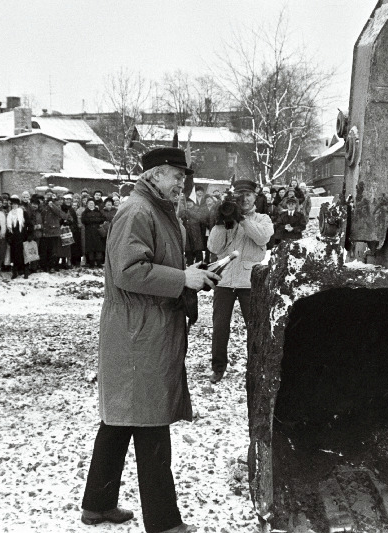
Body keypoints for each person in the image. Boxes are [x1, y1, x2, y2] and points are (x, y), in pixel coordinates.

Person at [81, 147, 217, 533]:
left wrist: (190, 273)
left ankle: (97, 504)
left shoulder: (154, 207)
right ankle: (164, 523)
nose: (182, 183)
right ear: (156, 174)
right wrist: (181, 280)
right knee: (151, 420)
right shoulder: (138, 210)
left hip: (141, 327)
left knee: (121, 418)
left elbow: (151, 263)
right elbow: (128, 271)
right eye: (177, 176)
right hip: (138, 330)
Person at [207, 178, 273, 384]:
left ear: (255, 197)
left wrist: (243, 220)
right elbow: (213, 248)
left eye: (248, 195)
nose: (244, 199)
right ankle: (218, 368)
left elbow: (262, 238)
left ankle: (258, 365)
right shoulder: (226, 219)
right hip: (225, 280)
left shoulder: (263, 219)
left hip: (249, 281)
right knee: (219, 327)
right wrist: (221, 222)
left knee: (254, 326)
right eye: (240, 195)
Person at [40, 192, 69, 273]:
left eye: (50, 195)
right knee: (45, 250)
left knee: (53, 251)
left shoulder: (56, 205)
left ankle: (52, 266)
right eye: (47, 194)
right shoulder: (43, 205)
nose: (49, 196)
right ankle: (45, 266)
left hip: (54, 231)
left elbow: (62, 215)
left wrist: (52, 205)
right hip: (45, 231)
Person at [5, 196, 32, 279]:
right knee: (14, 255)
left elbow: (30, 225)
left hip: (23, 237)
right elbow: (8, 227)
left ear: (18, 205)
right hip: (14, 238)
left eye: (15, 204)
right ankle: (15, 272)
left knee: (24, 255)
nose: (14, 206)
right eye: (12, 204)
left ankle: (26, 271)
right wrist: (8, 237)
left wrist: (30, 235)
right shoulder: (9, 214)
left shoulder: (23, 213)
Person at [81, 199, 105, 267]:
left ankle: (99, 262)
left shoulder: (98, 212)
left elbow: (102, 219)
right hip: (89, 232)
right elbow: (84, 220)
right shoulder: (85, 212)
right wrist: (95, 220)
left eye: (92, 203)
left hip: (97, 232)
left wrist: (92, 220)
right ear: (87, 204)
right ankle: (91, 262)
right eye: (89, 203)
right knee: (90, 248)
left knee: (98, 248)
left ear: (94, 204)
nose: (91, 204)